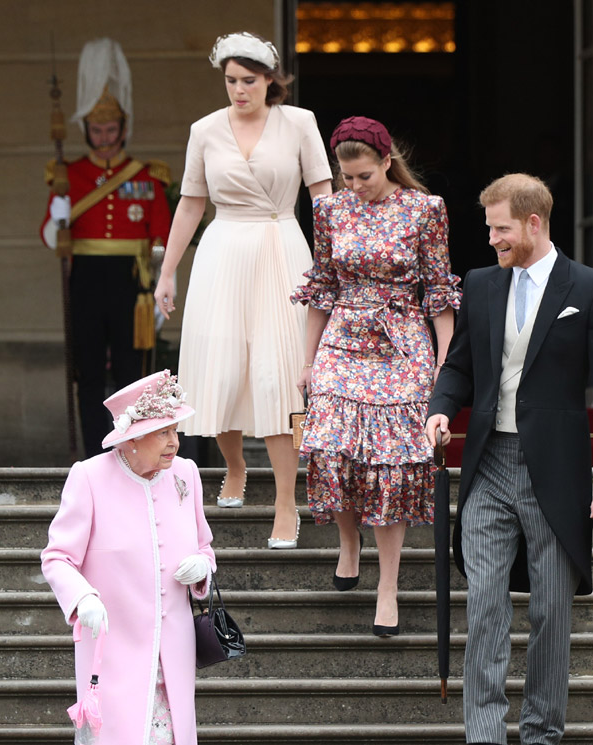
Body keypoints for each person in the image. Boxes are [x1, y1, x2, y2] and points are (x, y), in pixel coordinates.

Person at [425, 173, 593, 745]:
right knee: (485, 610)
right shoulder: (482, 284)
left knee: (550, 616)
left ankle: (542, 733)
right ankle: (484, 736)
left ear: (533, 223)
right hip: (488, 466)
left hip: (557, 473)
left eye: (501, 228)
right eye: (490, 228)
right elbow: (461, 366)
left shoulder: (591, 288)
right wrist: (442, 408)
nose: (491, 239)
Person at [154, 31, 332, 548]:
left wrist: (333, 264)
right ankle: (234, 466)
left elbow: (322, 196)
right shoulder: (204, 130)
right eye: (230, 80)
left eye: (248, 81)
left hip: (281, 246)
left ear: (271, 80)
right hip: (223, 250)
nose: (238, 90)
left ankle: (285, 502)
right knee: (223, 368)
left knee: (278, 376)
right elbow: (191, 203)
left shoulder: (299, 123)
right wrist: (168, 271)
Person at [291, 116, 462, 636]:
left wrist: (443, 364)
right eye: (348, 178)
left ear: (387, 162)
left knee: (391, 465)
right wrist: (308, 360)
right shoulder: (329, 210)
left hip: (402, 340)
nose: (356, 186)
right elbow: (322, 288)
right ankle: (348, 540)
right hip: (342, 337)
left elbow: (438, 293)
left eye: (364, 176)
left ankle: (387, 586)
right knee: (331, 448)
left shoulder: (425, 210)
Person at [41, 369, 214, 745]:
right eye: (163, 432)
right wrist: (81, 596)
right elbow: (57, 557)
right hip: (114, 650)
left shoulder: (186, 475)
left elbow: (205, 547)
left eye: (176, 431)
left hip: (175, 653)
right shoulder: (88, 477)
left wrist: (203, 568)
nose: (175, 443)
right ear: (132, 440)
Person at [41, 38, 172, 458]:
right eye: (96, 130)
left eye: (110, 129)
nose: (103, 137)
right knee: (90, 371)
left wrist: (157, 288)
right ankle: (97, 452)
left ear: (122, 128)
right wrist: (59, 213)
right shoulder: (69, 174)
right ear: (85, 130)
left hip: (132, 282)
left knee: (135, 373)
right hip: (87, 279)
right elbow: (49, 238)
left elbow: (161, 238)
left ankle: (135, 449)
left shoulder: (147, 176)